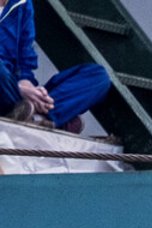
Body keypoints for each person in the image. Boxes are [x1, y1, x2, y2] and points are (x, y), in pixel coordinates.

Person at [1, 0, 110, 134]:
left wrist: (27, 85)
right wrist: (20, 89)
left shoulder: (22, 3)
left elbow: (25, 58)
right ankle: (51, 117)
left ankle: (39, 117)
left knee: (98, 76)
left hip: (14, 95)